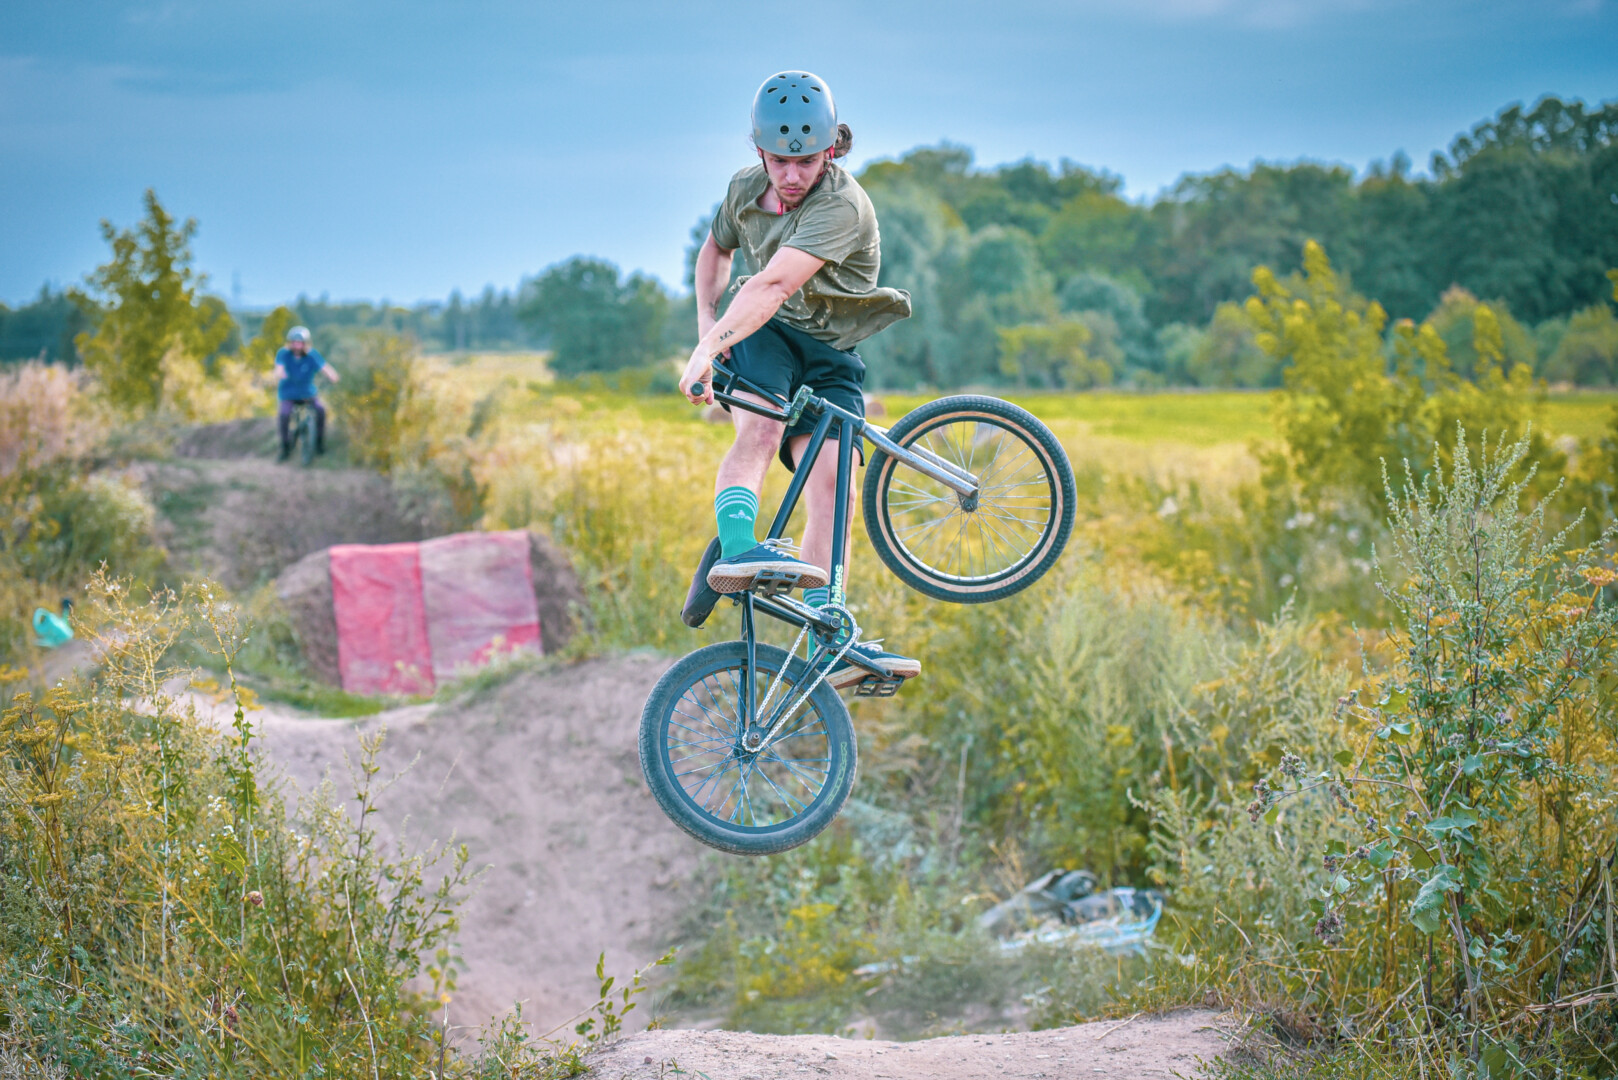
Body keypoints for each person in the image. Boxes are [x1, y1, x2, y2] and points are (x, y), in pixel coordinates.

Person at [677, 70, 920, 689]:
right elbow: (717, 253)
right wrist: (707, 329)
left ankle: (826, 628)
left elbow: (776, 281)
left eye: (806, 160)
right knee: (758, 432)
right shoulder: (743, 190)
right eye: (780, 160)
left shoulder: (840, 204)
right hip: (763, 332)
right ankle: (736, 550)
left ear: (831, 148)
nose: (791, 176)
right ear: (759, 149)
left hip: (831, 351)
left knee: (835, 485)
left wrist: (708, 348)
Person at [273, 326, 339, 461]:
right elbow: (278, 369)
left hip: (307, 393)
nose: (297, 345)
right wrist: (279, 374)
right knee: (284, 415)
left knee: (321, 410)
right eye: (294, 342)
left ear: (305, 344)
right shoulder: (283, 354)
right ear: (290, 343)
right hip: (288, 394)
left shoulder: (312, 355)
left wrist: (333, 376)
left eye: (300, 343)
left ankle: (319, 444)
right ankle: (285, 448)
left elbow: (325, 368)